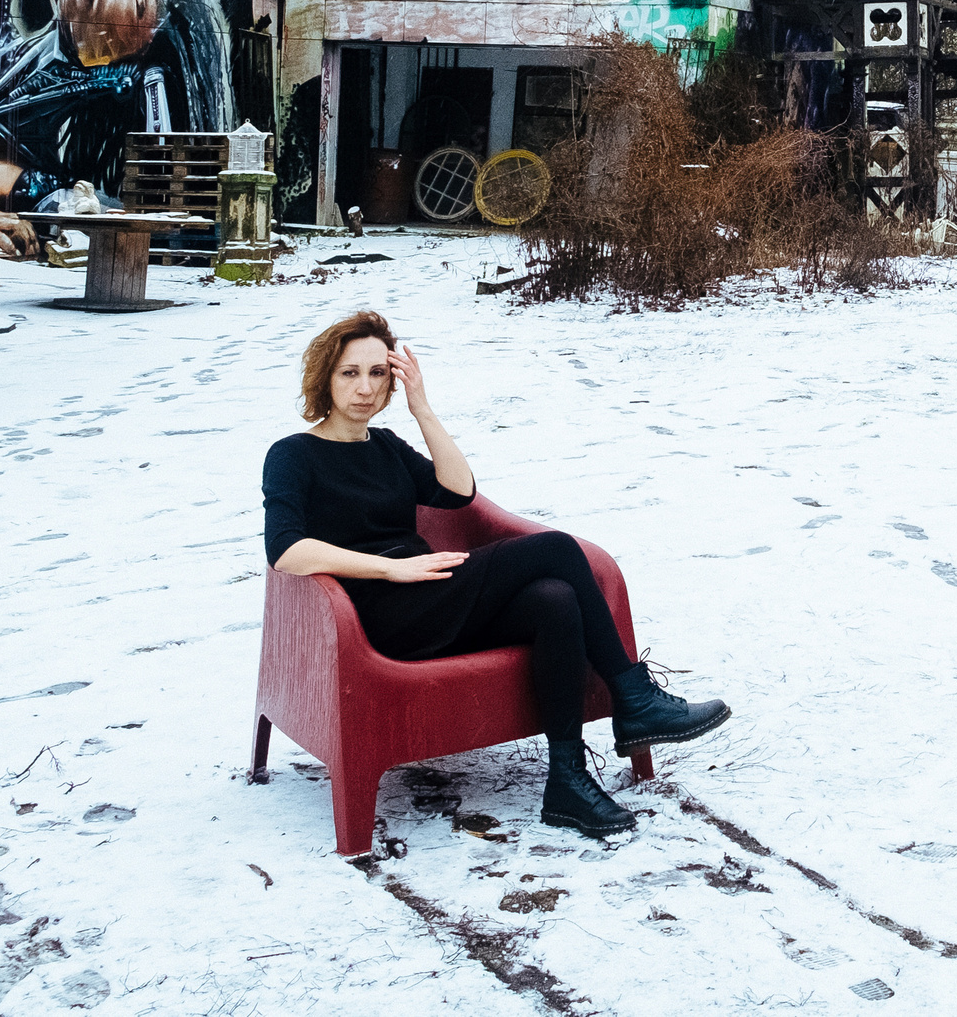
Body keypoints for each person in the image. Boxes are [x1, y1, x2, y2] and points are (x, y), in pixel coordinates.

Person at [262, 311, 729, 835]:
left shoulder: (388, 447)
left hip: (434, 597)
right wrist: (390, 570)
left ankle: (568, 782)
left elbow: (458, 491)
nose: (365, 388)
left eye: (379, 373)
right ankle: (634, 698)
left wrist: (423, 409)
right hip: (376, 615)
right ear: (325, 376)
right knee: (553, 548)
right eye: (350, 373)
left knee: (555, 599)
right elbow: (285, 549)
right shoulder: (293, 455)